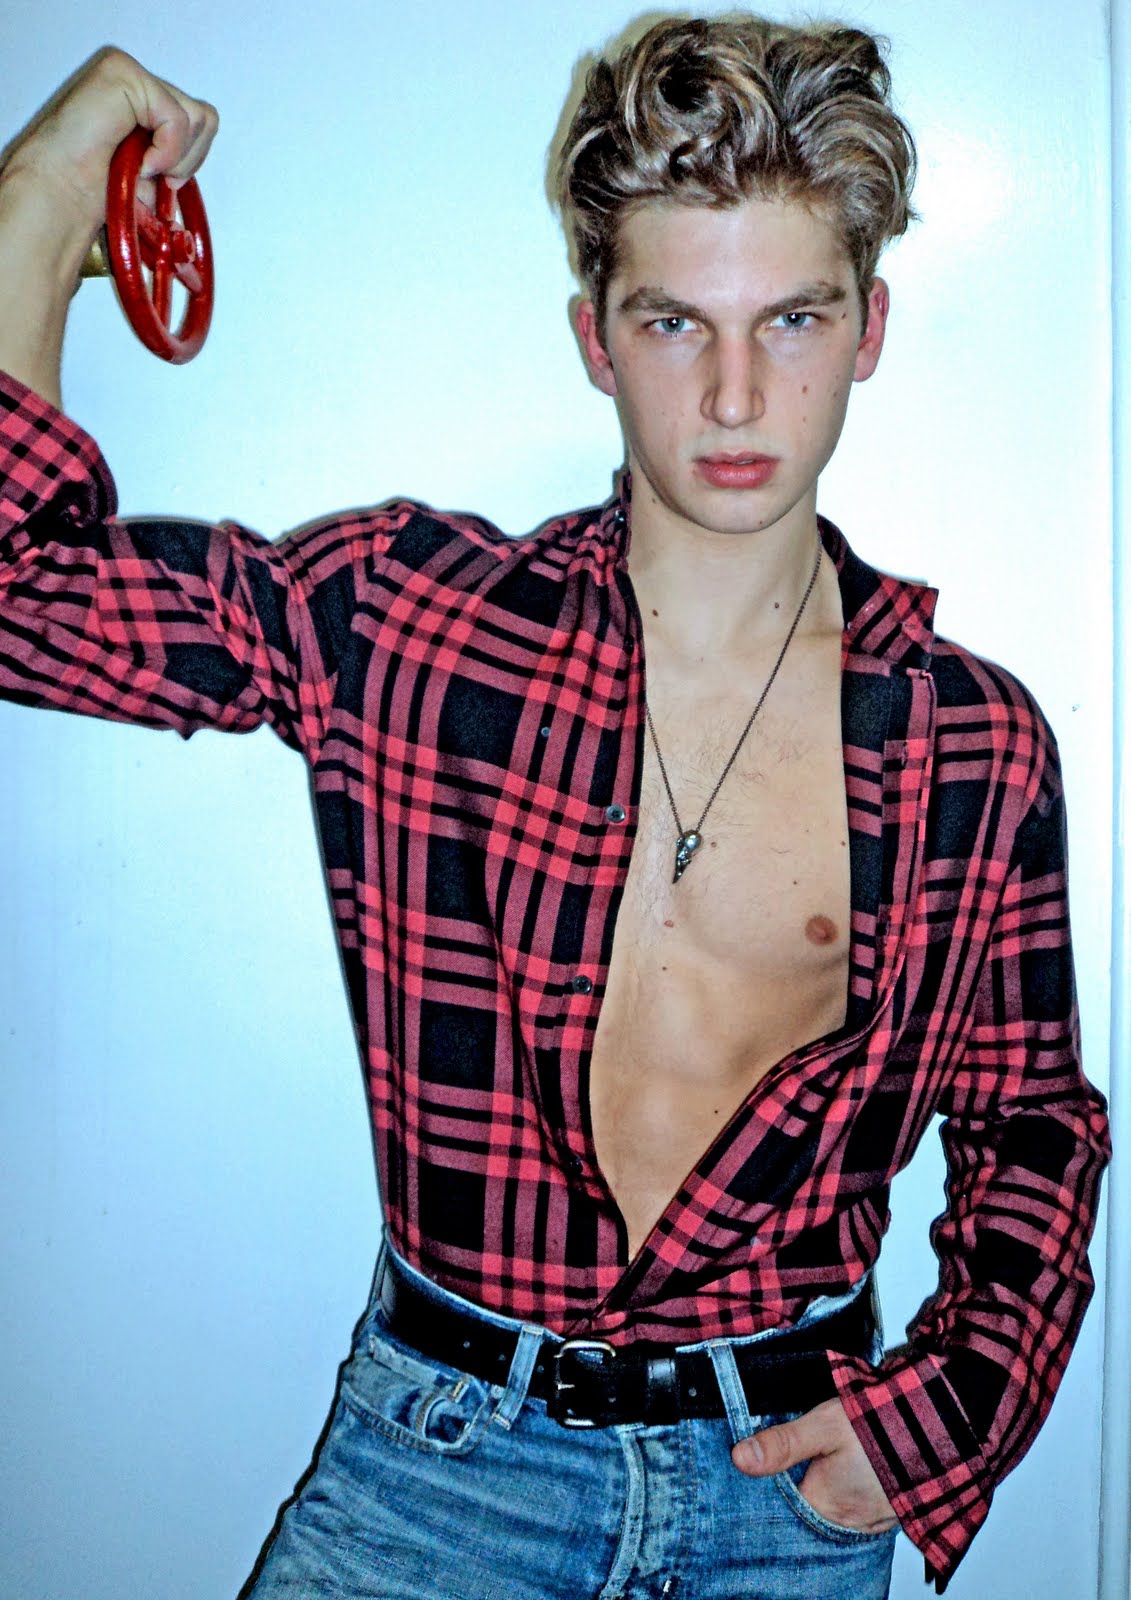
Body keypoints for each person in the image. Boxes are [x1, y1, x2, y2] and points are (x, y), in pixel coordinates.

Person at [0, 15, 1110, 1599]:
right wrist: (45, 190)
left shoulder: (973, 746)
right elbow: (21, 593)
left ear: (870, 328)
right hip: (438, 1475)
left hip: (784, 1493)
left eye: (792, 319)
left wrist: (943, 1424)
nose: (735, 393)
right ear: (596, 337)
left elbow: (1036, 1129)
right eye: (674, 322)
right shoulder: (410, 625)